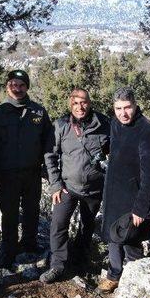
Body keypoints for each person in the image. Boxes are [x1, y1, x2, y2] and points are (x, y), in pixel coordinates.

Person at [0, 70, 52, 267]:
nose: (18, 89)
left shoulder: (38, 111)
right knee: (9, 213)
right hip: (6, 174)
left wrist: (47, 168)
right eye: (13, 84)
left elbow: (48, 141)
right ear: (7, 86)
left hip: (32, 172)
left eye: (21, 85)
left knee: (32, 210)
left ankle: (29, 244)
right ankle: (9, 251)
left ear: (27, 87)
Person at [40, 88, 110, 283]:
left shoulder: (104, 123)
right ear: (70, 104)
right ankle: (58, 265)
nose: (80, 107)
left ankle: (80, 259)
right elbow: (50, 155)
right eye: (76, 103)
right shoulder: (61, 125)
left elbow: (114, 150)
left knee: (87, 226)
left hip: (95, 188)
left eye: (84, 102)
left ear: (89, 102)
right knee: (58, 225)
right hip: (67, 187)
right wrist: (55, 184)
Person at [98, 87, 150, 294]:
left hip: (134, 196)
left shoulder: (148, 131)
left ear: (135, 105)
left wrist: (141, 207)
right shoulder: (115, 124)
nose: (123, 113)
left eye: (127, 107)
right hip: (114, 192)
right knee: (112, 236)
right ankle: (114, 274)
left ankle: (138, 279)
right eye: (118, 108)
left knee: (131, 239)